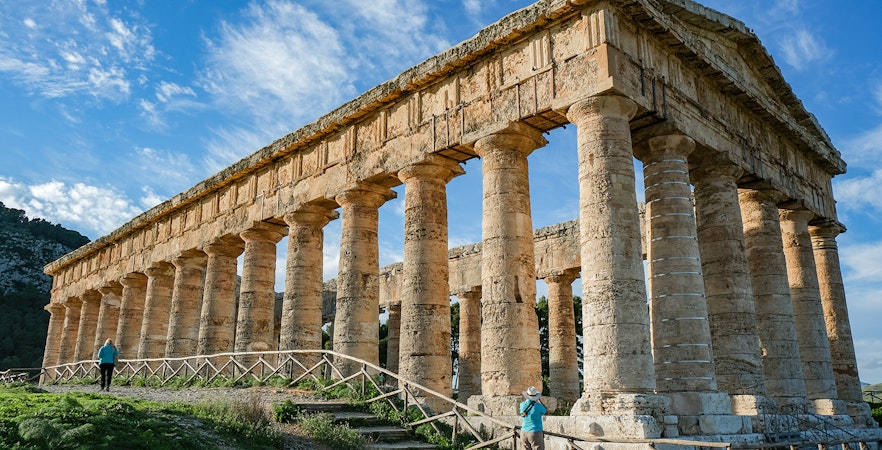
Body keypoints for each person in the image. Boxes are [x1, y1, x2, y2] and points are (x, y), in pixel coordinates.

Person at [519, 385, 547, 450]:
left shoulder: (522, 405)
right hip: (535, 432)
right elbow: (545, 410)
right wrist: (539, 400)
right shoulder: (538, 406)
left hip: (523, 432)